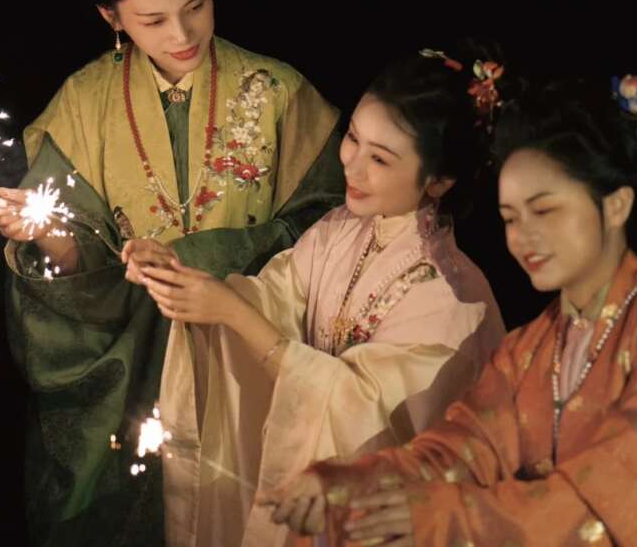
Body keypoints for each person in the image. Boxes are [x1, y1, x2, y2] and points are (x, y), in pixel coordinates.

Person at [0, 0, 344, 543]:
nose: (182, 33)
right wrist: (46, 234)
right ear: (111, 17)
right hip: (134, 366)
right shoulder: (83, 102)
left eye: (196, 6)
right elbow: (82, 262)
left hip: (251, 348)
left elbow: (328, 225)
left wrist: (198, 257)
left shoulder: (281, 92)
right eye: (152, 20)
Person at [261, 76, 637, 546]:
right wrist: (345, 484)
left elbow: (606, 502)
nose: (523, 237)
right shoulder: (530, 349)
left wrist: (436, 514)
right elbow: (456, 452)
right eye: (511, 217)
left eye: (545, 211)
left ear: (616, 206)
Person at [143, 44, 508, 547]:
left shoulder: (454, 300)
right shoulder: (339, 230)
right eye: (353, 138)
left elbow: (361, 413)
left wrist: (231, 313)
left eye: (380, 159)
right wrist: (186, 285)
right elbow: (274, 298)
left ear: (439, 181)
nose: (352, 167)